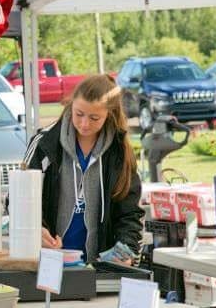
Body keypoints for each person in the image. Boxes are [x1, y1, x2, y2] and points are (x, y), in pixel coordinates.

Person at [22, 74, 143, 261]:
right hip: (48, 262)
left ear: (108, 115)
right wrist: (34, 228)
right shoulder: (45, 144)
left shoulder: (120, 152)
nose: (85, 124)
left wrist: (126, 250)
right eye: (79, 114)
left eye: (94, 118)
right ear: (70, 105)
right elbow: (17, 199)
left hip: (98, 267)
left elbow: (130, 214)